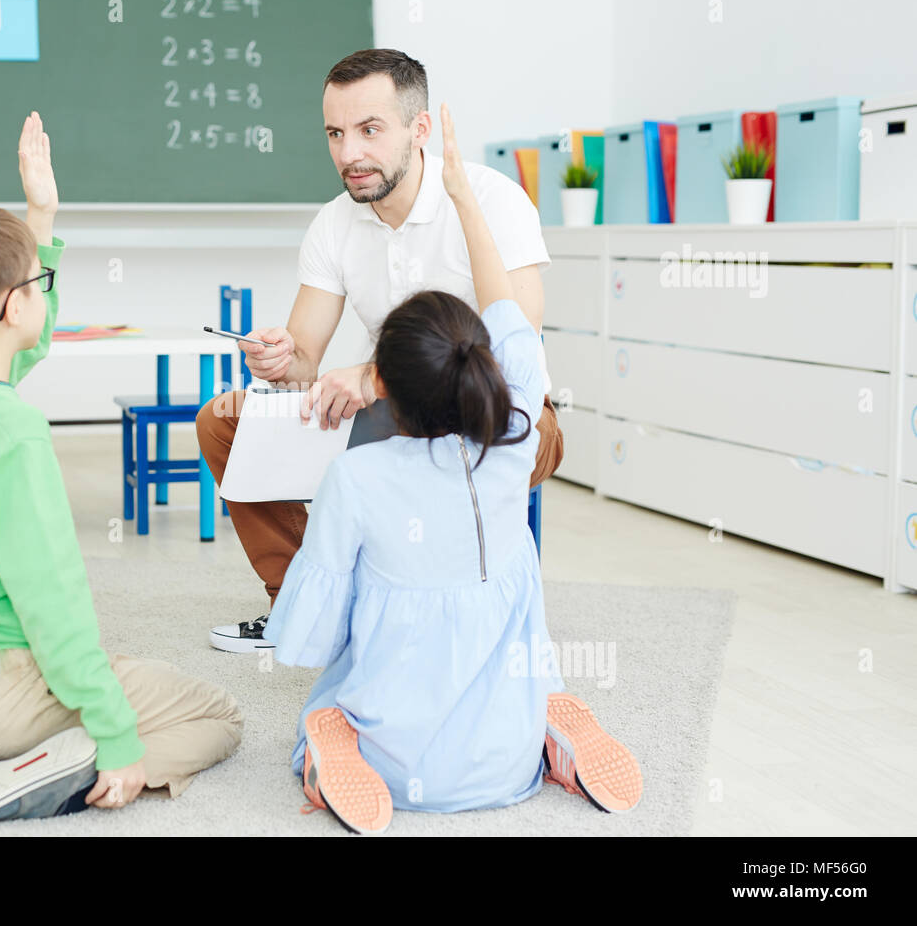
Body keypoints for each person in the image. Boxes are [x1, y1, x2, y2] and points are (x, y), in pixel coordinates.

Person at [261, 105, 641, 834]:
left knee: (325, 704)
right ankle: (549, 738)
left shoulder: (359, 479)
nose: (348, 147)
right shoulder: (514, 441)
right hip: (508, 767)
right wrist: (465, 194)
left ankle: (322, 754)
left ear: (386, 388)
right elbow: (510, 324)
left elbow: (312, 632)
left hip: (393, 765)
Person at [0, 111, 243, 826]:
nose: (43, 292)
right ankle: (49, 771)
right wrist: (115, 735)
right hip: (1, 695)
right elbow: (51, 605)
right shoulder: (12, 433)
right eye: (39, 280)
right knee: (217, 714)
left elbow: (16, 350)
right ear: (10, 304)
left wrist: (41, 215)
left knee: (111, 685)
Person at [198, 48, 564, 652]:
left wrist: (376, 377)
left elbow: (511, 338)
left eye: (369, 130)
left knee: (421, 436)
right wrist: (278, 357)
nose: (349, 154)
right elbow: (303, 363)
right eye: (336, 134)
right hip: (391, 413)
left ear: (419, 130)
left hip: (501, 415)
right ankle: (303, 608)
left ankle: (424, 613)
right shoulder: (334, 223)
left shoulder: (490, 199)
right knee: (225, 421)